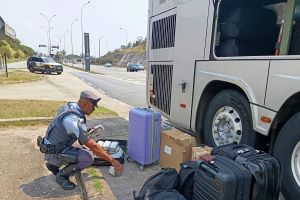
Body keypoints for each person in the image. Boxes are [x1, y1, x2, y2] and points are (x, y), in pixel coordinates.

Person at [38, 89, 123, 190]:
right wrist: (112, 160)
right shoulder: (72, 120)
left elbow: (68, 130)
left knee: (84, 150)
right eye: (92, 107)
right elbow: (93, 146)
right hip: (54, 150)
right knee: (88, 157)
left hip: (54, 145)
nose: (94, 110)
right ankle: (61, 176)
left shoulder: (71, 107)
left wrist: (86, 130)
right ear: (85, 104)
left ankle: (53, 165)